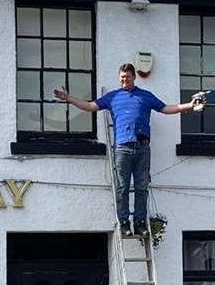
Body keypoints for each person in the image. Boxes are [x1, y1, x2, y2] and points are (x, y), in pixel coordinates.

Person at [55, 64, 206, 235]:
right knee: (122, 187)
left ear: (134, 77)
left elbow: (165, 108)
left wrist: (189, 105)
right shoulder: (112, 97)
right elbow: (90, 106)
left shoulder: (145, 96)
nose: (124, 80)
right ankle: (124, 223)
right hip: (122, 148)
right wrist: (69, 98)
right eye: (121, 77)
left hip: (142, 148)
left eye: (127, 77)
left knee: (142, 187)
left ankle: (140, 223)